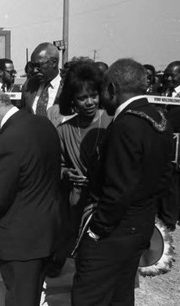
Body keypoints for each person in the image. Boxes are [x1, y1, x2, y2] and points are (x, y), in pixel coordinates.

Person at [72, 58, 173, 305]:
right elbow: (163, 178)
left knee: (89, 297)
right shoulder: (158, 117)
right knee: (121, 294)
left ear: (112, 89)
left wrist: (97, 231)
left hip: (113, 232)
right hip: (140, 224)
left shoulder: (126, 125)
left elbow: (118, 189)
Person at [0, 87, 62, 306]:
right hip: (46, 234)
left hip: (20, 243)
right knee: (31, 295)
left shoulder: (7, 141)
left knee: (20, 299)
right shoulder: (43, 124)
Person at [51, 60, 112, 276]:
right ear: (72, 100)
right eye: (82, 97)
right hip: (75, 201)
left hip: (104, 202)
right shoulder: (64, 130)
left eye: (93, 95)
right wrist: (67, 173)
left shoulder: (112, 122)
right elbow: (55, 166)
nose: (89, 102)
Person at [162, 60, 180, 228]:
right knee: (167, 181)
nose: (169, 78)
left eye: (173, 75)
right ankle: (167, 219)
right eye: (167, 75)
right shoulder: (161, 92)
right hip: (165, 143)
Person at [18, 42, 63, 123]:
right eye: (33, 66)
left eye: (39, 66)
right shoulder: (29, 85)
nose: (35, 70)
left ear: (54, 62)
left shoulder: (68, 84)